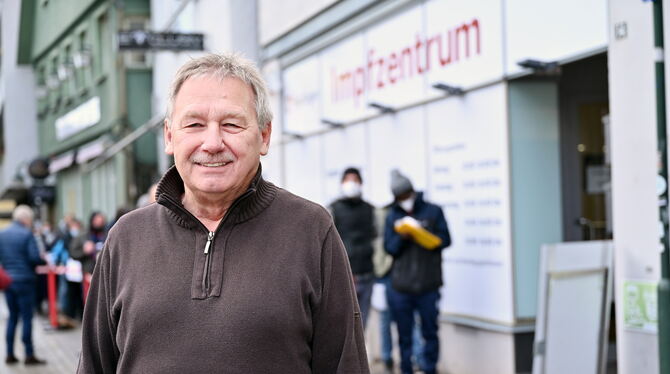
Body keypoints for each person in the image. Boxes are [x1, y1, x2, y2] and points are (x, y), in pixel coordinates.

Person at [77, 52, 369, 373]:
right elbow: (93, 364)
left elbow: (346, 365)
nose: (213, 142)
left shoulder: (312, 231)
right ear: (170, 136)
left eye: (231, 124)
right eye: (194, 124)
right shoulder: (126, 238)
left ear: (264, 136)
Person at [384, 170, 451, 374]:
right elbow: (389, 248)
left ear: (412, 191)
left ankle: (430, 368)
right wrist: (403, 237)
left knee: (430, 331)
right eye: (400, 197)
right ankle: (406, 369)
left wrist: (424, 235)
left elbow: (446, 240)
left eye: (406, 194)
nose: (405, 200)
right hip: (401, 286)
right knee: (404, 334)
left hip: (428, 284)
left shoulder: (433, 211)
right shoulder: (393, 215)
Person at [329, 167, 376, 328]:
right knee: (344, 325)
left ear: (361, 183)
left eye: (355, 180)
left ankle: (360, 353)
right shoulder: (334, 209)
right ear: (342, 183)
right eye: (348, 180)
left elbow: (377, 237)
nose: (351, 184)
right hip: (344, 277)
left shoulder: (369, 209)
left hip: (367, 273)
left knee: (363, 324)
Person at [0, 205, 47, 365]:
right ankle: (28, 354)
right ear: (26, 219)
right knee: (27, 318)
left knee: (12, 317)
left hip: (8, 282)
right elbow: (34, 257)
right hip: (25, 281)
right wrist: (43, 259)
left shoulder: (2, 233)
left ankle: (9, 353)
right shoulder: (27, 234)